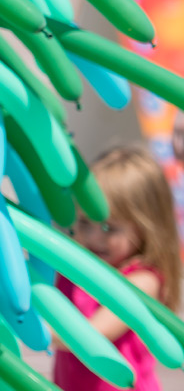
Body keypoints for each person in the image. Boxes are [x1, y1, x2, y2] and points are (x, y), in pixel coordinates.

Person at [54, 146, 182, 391]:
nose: (93, 237)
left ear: (146, 226)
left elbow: (92, 337)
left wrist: (25, 324)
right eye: (84, 222)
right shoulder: (78, 267)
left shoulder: (142, 281)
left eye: (109, 228)